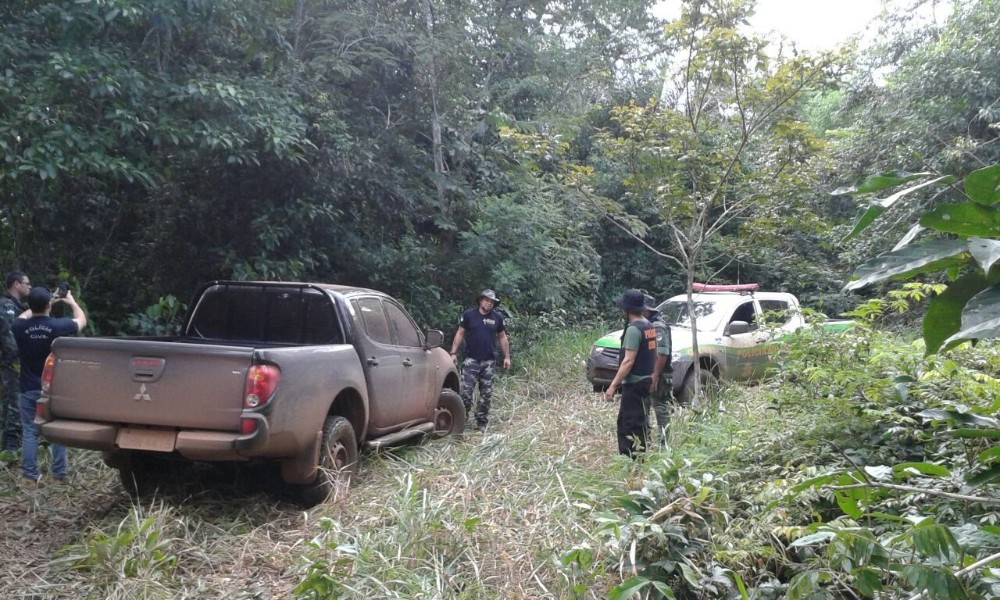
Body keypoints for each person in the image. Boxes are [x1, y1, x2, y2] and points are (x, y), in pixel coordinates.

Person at [13, 286, 87, 488]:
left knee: (30, 431)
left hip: (28, 387)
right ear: (48, 305)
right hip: (53, 388)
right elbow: (81, 320)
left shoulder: (19, 327)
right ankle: (58, 476)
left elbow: (23, 316)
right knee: (56, 430)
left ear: (29, 305)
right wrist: (70, 301)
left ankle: (30, 477)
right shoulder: (57, 326)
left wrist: (45, 301)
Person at [604, 289, 657, 459]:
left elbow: (628, 361)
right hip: (645, 381)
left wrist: (612, 386)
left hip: (634, 385)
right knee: (640, 422)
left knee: (627, 424)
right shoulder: (649, 326)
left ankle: (629, 460)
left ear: (626, 310)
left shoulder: (634, 330)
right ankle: (641, 456)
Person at [449, 289, 511, 431]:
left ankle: (481, 422)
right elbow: (460, 333)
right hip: (471, 360)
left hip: (488, 362)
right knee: (465, 392)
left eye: (492, 302)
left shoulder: (497, 318)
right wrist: (453, 353)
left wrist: (507, 357)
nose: (489, 303)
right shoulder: (469, 315)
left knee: (486, 394)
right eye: (487, 300)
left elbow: (502, 337)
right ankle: (461, 421)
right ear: (481, 300)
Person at [0, 271, 30, 454]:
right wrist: (18, 360)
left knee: (10, 402)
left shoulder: (17, 307)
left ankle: (8, 445)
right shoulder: (7, 306)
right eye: (27, 283)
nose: (29, 287)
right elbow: (9, 337)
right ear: (17, 284)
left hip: (11, 363)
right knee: (15, 403)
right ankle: (11, 448)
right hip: (12, 363)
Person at [643, 293, 673, 446]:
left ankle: (664, 444)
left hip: (660, 375)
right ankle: (645, 442)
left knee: (660, 408)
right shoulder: (646, 324)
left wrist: (654, 375)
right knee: (644, 408)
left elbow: (662, 353)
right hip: (648, 374)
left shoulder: (657, 326)